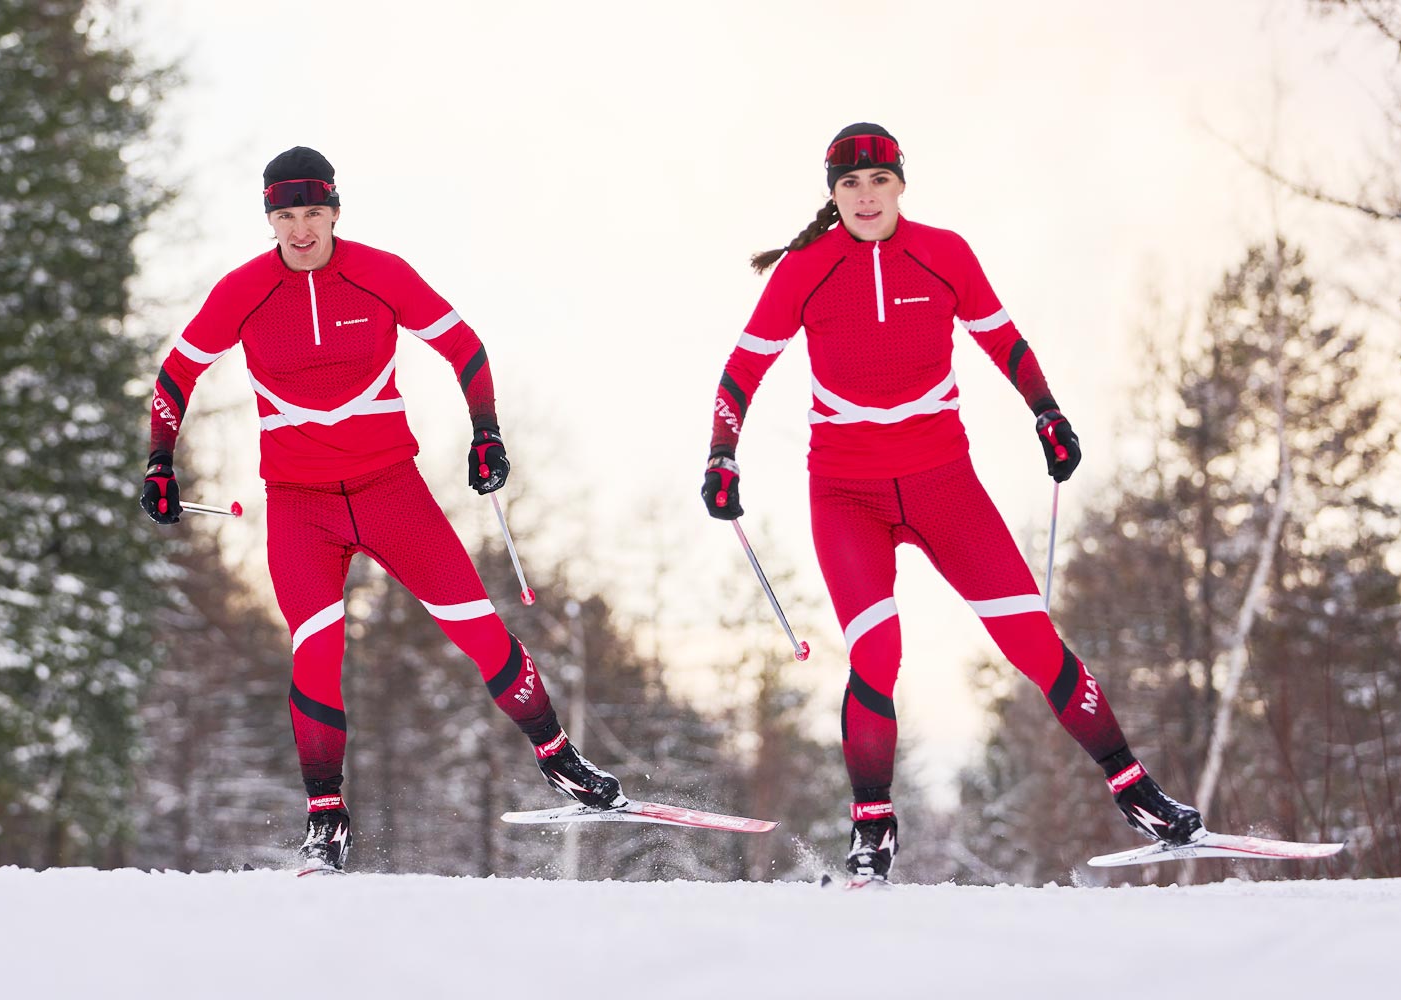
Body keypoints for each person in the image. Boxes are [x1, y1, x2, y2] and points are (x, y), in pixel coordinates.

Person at [700, 123, 1203, 883]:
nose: (866, 197)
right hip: (846, 494)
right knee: (877, 651)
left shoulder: (945, 253)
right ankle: (872, 826)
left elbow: (1005, 340)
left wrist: (1048, 412)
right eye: (850, 185)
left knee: (1033, 640)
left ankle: (1136, 790)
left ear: (901, 184)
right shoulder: (805, 269)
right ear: (832, 195)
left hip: (944, 485)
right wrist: (721, 453)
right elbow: (742, 370)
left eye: (879, 181)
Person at [143, 147, 622, 873]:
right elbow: (176, 373)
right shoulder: (243, 290)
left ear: (335, 210)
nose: (300, 230)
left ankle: (558, 757)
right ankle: (325, 819)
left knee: (480, 630)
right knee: (315, 652)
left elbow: (465, 348)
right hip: (301, 507)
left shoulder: (380, 272)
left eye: (312, 212)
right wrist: (159, 460)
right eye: (284, 215)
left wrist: (486, 432)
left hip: (389, 491)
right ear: (269, 219)